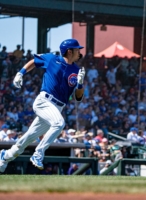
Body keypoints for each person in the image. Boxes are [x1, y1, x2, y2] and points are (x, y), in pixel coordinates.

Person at [0, 39, 85, 173]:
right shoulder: (52, 59)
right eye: (77, 49)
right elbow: (34, 61)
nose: (79, 51)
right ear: (69, 51)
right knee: (59, 123)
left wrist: (80, 84)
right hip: (44, 102)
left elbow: (78, 97)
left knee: (27, 138)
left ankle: (5, 156)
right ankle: (38, 153)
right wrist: (20, 73)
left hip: (57, 107)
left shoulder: (76, 69)